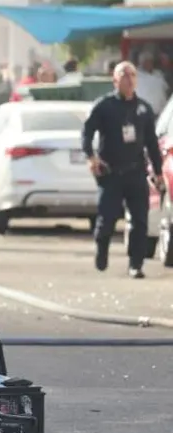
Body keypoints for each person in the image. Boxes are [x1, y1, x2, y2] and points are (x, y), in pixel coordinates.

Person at [82, 60, 164, 279]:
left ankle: (136, 264)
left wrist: (157, 172)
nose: (129, 80)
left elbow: (152, 143)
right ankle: (102, 251)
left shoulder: (143, 109)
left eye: (132, 75)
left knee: (140, 221)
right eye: (124, 76)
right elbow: (87, 132)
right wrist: (91, 157)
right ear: (115, 80)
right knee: (107, 220)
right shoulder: (104, 106)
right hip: (111, 173)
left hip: (136, 173)